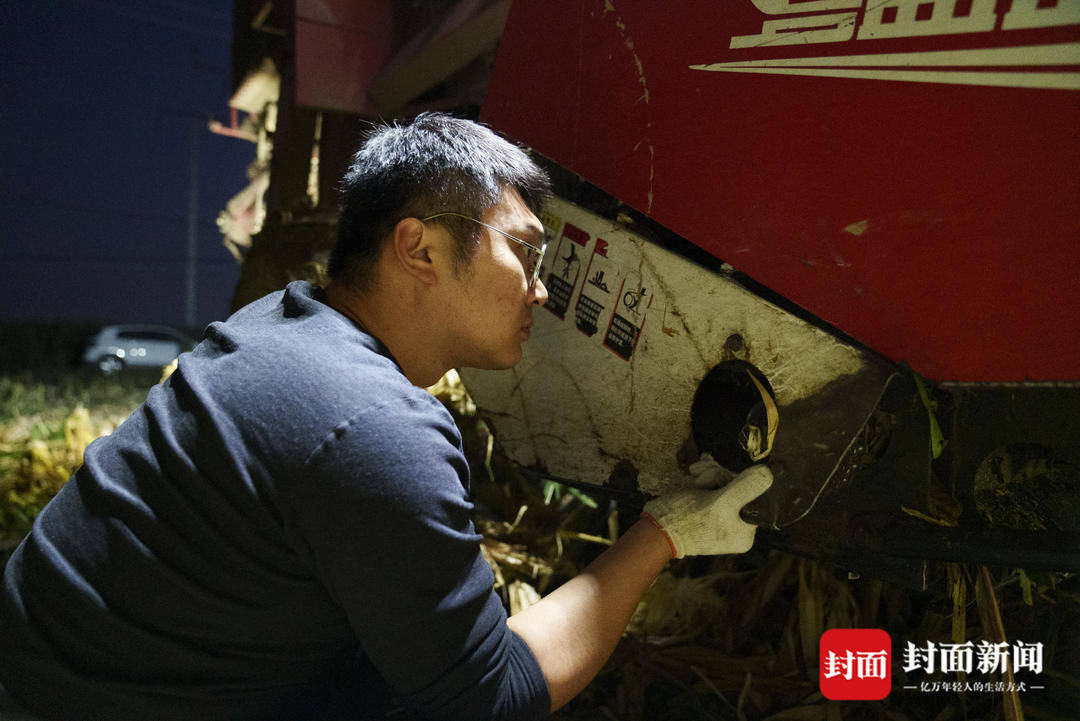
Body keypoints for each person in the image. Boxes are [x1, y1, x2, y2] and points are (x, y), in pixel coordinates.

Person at [0, 113, 772, 720]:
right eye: (527, 255)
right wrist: (662, 532)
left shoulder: (284, 320)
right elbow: (495, 693)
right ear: (420, 247)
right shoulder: (372, 424)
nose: (539, 292)